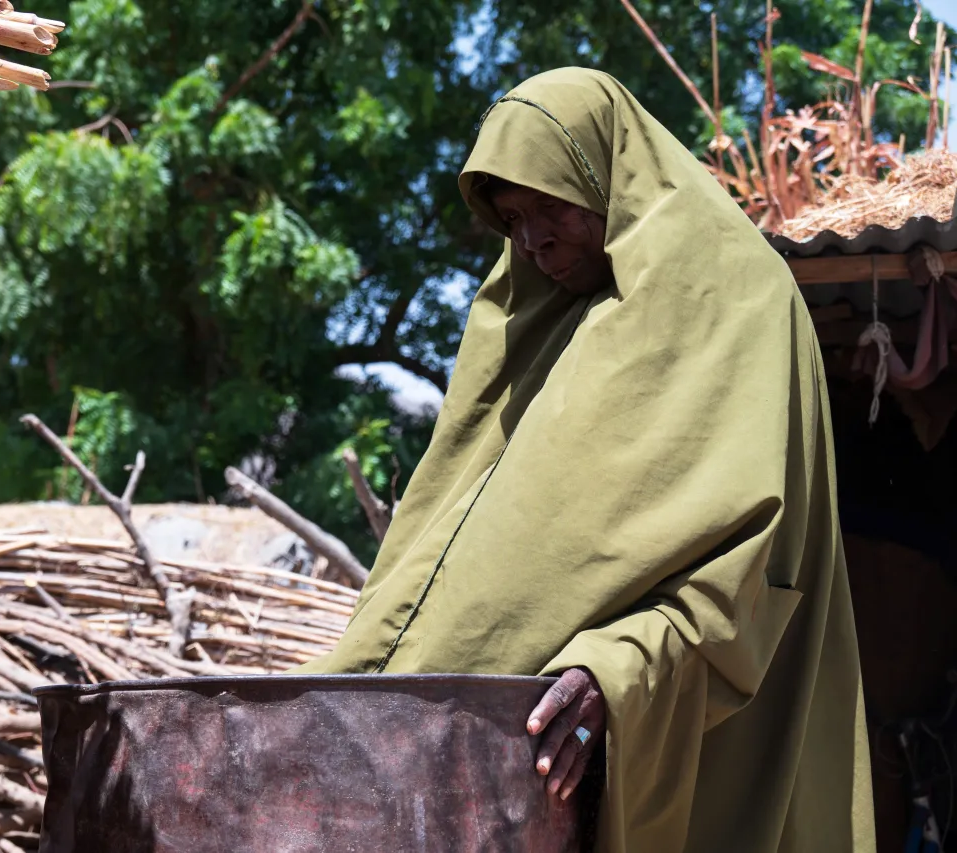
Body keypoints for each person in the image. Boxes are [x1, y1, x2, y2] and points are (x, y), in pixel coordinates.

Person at [294, 68, 875, 852]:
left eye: (549, 204)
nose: (533, 239)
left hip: (687, 740)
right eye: (511, 219)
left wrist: (619, 669)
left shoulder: (737, 302)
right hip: (493, 753)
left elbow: (757, 561)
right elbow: (452, 545)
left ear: (608, 174)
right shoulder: (532, 325)